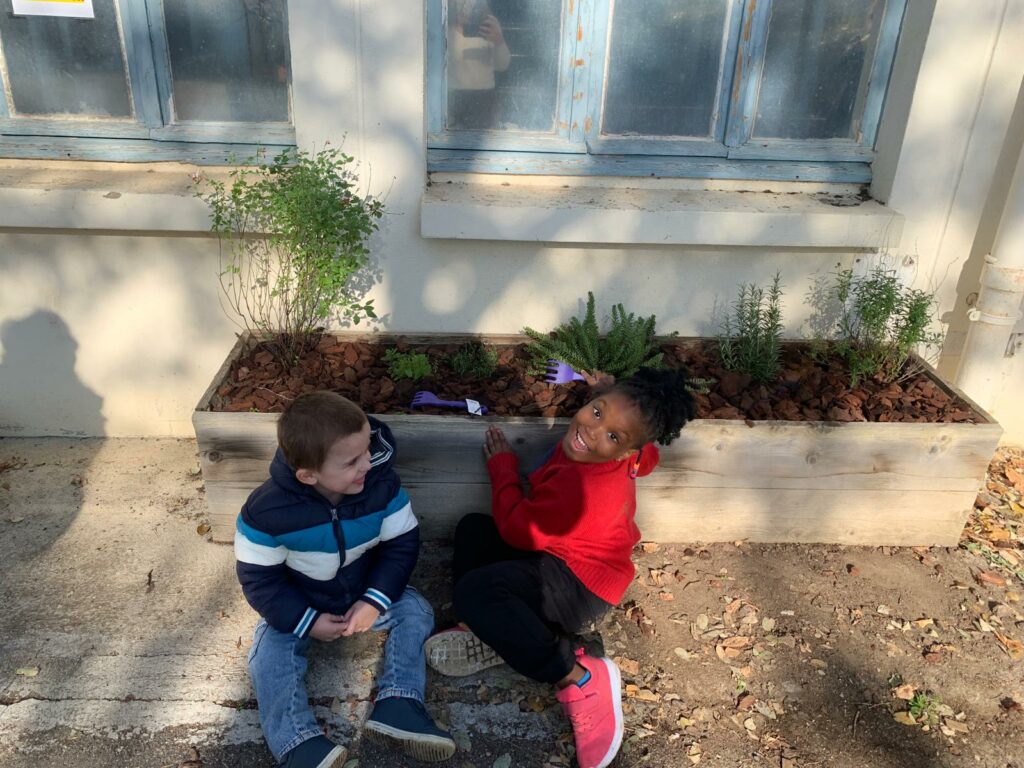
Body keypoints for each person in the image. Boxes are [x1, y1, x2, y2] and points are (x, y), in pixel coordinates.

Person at [425, 367, 696, 768]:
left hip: (579, 588)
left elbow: (518, 530)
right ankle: (505, 632)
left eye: (613, 436)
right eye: (598, 412)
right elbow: (647, 453)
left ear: (625, 452)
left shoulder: (582, 492)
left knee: (476, 593)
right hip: (565, 559)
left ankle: (576, 676)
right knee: (474, 530)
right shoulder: (635, 456)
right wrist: (608, 393)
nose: (592, 429)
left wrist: (503, 469)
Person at [235, 391, 456, 768]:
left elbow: (402, 544)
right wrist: (306, 620)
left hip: (363, 592)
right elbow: (260, 580)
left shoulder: (381, 486)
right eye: (352, 461)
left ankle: (399, 703)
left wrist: (375, 601)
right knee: (269, 650)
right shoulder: (266, 513)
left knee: (416, 608)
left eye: (367, 449)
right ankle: (296, 743)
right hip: (302, 601)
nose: (368, 463)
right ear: (309, 475)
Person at [447, 0, 511, 129]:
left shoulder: (489, 29)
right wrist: (455, 28)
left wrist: (499, 41)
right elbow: (449, 58)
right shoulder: (443, 30)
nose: (464, 8)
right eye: (459, 4)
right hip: (453, 97)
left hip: (484, 99)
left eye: (469, 3)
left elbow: (502, 65)